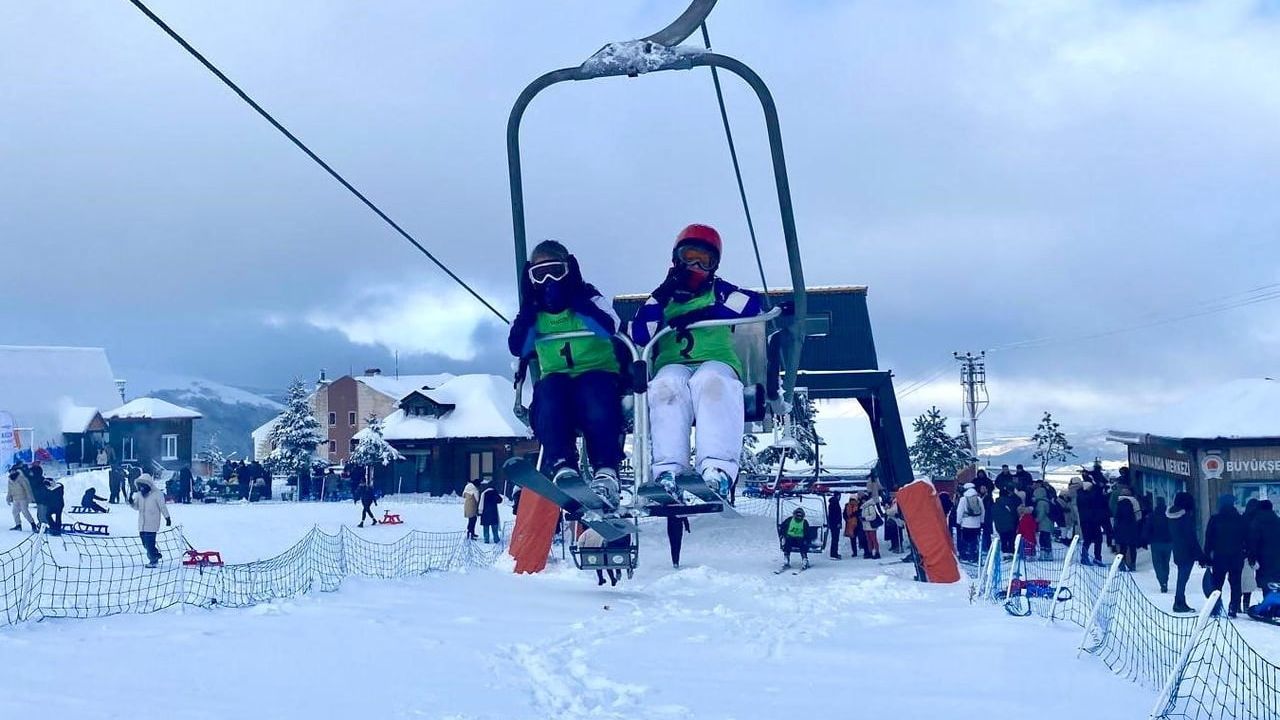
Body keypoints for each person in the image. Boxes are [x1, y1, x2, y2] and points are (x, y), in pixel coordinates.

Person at [629, 224, 766, 498]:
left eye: (704, 261)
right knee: (665, 386)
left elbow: (754, 304)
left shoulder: (720, 291)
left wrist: (702, 312)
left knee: (711, 382)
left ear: (714, 266)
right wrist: (662, 293)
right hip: (672, 363)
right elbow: (641, 333)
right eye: (689, 256)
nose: (695, 266)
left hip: (716, 360)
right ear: (676, 258)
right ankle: (668, 469)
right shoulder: (662, 298)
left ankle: (717, 468)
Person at [507, 239, 626, 509]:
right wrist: (529, 312)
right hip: (557, 378)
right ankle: (562, 465)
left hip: (597, 372)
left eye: (556, 271)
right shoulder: (534, 312)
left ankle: (605, 469)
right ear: (531, 278)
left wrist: (577, 301)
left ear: (569, 269)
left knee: (594, 395)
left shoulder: (589, 298)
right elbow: (519, 347)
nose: (549, 280)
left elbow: (609, 327)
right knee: (548, 395)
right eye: (540, 274)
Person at [1204, 493, 1248, 618]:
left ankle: (1215, 607)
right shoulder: (1240, 519)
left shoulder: (1215, 519)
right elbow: (1247, 538)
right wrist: (1246, 552)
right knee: (1235, 583)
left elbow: (1209, 539)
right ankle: (1233, 608)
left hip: (1219, 557)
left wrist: (1207, 555)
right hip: (1236, 556)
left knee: (1217, 583)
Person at [1167, 492, 1203, 613]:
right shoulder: (1185, 518)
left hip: (1177, 550)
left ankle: (1179, 601)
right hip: (1187, 552)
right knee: (1182, 579)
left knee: (1181, 578)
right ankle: (1179, 602)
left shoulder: (1170, 516)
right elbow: (1191, 538)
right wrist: (1200, 555)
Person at [129, 474, 171, 568]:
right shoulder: (139, 495)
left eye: (143, 486)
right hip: (142, 524)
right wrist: (131, 502)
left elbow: (162, 507)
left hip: (152, 523)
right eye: (140, 486)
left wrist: (167, 518)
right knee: (145, 544)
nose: (141, 488)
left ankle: (153, 560)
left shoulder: (157, 494)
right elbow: (136, 507)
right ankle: (155, 554)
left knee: (149, 543)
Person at [1249, 500, 1280, 594]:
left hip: (1263, 560)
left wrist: (1252, 559)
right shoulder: (1277, 521)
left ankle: (1268, 606)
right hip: (1278, 559)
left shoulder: (1256, 523)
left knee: (1266, 585)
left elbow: (1253, 542)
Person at [1077, 480, 1108, 566]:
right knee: (1088, 540)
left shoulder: (1086, 495)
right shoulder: (1082, 496)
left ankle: (1097, 558)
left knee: (1098, 540)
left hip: (1094, 521)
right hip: (1087, 522)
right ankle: (1084, 557)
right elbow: (1091, 500)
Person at [1113, 485, 1143, 572]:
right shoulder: (1134, 501)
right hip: (1131, 527)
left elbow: (1115, 514)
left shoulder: (1117, 501)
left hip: (1120, 527)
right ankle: (1132, 565)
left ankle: (1121, 564)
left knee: (1122, 547)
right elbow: (1138, 515)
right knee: (1132, 547)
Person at [1148, 496, 1173, 593]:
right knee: (1165, 563)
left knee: (1157, 563)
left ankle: (1162, 581)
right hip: (1168, 543)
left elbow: (1148, 529)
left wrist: (1145, 540)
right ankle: (1165, 580)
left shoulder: (1152, 516)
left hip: (1156, 543)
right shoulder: (1169, 516)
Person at [956, 483, 984, 563]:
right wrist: (981, 522)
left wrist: (958, 522)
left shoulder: (963, 499)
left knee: (965, 540)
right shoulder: (978, 499)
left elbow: (959, 511)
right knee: (974, 540)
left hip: (966, 524)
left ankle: (965, 556)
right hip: (977, 524)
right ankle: (973, 556)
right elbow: (983, 511)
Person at [6, 466, 37, 532]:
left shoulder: (21, 478)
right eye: (11, 471)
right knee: (15, 512)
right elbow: (9, 490)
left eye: (13, 471)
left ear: (15, 471)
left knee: (25, 512)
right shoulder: (10, 479)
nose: (12, 472)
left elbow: (27, 488)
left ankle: (33, 524)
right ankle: (18, 525)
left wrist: (30, 497)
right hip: (15, 498)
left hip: (23, 498)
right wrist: (8, 498)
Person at [992, 489, 1019, 557]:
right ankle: (1011, 552)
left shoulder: (996, 504)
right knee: (1011, 540)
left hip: (1000, 526)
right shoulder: (1011, 503)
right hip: (1011, 525)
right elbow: (1015, 514)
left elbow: (993, 514)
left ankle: (1005, 553)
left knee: (1003, 540)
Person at [860, 492, 884, 560]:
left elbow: (873, 516)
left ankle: (877, 552)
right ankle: (871, 552)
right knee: (869, 540)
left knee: (873, 540)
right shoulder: (864, 507)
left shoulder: (870, 506)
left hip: (870, 525)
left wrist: (865, 518)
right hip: (866, 526)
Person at [827, 492, 843, 559]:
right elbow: (837, 515)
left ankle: (833, 553)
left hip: (833, 523)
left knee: (834, 539)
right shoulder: (835, 503)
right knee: (835, 539)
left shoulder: (832, 503)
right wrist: (838, 522)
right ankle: (834, 553)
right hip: (835, 524)